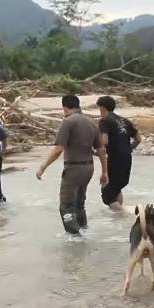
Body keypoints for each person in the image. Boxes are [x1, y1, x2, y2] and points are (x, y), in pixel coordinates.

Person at [36, 95, 108, 234]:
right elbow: (101, 150)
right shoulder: (91, 122)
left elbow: (59, 149)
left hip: (74, 168)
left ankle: (74, 238)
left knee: (66, 205)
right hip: (89, 168)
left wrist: (43, 167)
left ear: (64, 107)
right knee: (80, 204)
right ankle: (84, 230)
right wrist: (104, 172)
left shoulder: (68, 122)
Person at [96, 96, 142, 211]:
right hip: (127, 158)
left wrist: (96, 151)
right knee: (116, 189)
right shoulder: (125, 121)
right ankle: (118, 222)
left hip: (115, 159)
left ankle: (125, 214)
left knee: (107, 196)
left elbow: (104, 142)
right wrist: (129, 149)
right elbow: (138, 139)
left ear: (102, 108)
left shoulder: (104, 121)